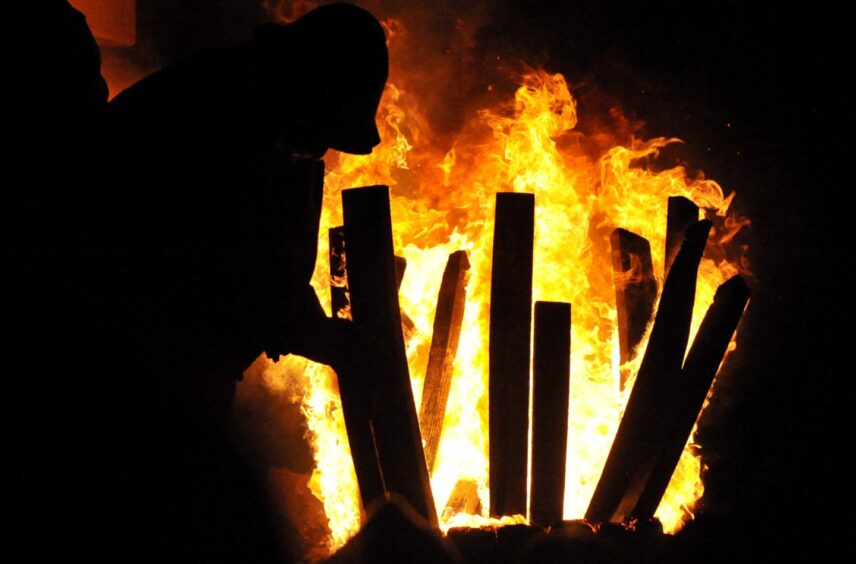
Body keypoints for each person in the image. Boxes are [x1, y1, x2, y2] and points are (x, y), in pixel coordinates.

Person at [58, 3, 389, 560]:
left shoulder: (284, 128)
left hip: (184, 372)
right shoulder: (205, 117)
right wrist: (325, 340)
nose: (324, 149)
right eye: (324, 130)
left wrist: (316, 327)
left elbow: (270, 267)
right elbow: (212, 270)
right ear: (304, 85)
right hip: (121, 368)